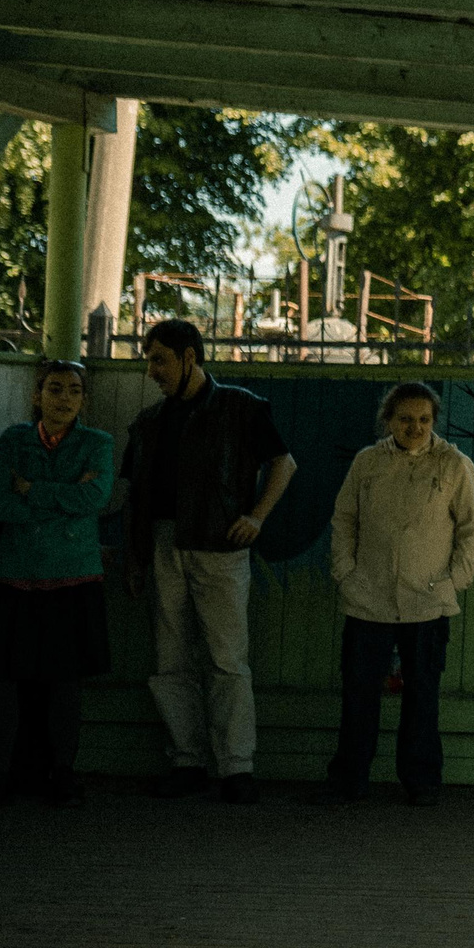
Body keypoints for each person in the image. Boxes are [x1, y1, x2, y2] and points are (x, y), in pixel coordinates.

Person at [123, 320, 296, 805]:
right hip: (168, 541)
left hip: (217, 543)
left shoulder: (240, 407)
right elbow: (136, 496)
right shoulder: (150, 421)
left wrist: (256, 517)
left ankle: (233, 764)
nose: (151, 369)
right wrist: (135, 558)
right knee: (172, 659)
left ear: (189, 357)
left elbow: (285, 463)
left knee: (224, 658)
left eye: (159, 358)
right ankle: (191, 760)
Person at [313, 383, 474, 808]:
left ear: (434, 421)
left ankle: (422, 781)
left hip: (427, 603)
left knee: (423, 695)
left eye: (424, 420)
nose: (416, 427)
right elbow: (345, 519)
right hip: (368, 600)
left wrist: (452, 583)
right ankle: (348, 780)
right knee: (359, 694)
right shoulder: (367, 463)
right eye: (406, 419)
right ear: (388, 420)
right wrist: (346, 574)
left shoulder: (454, 465)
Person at [0, 361, 113, 810]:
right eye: (55, 389)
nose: (64, 399)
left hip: (72, 575)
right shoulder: (14, 440)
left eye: (75, 391)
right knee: (4, 679)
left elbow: (96, 499)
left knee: (65, 680)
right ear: (36, 395)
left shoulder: (97, 443)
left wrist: (33, 489)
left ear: (84, 400)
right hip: (15, 575)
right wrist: (60, 498)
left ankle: (63, 774)